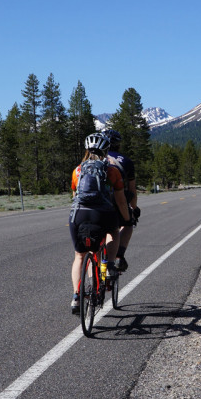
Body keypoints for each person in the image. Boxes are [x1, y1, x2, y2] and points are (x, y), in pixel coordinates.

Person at [68, 132, 131, 314]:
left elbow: (74, 197)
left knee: (80, 256)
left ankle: (76, 296)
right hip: (102, 214)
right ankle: (110, 265)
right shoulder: (111, 171)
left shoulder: (77, 171)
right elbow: (120, 201)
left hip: (78, 215)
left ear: (87, 150)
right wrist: (126, 219)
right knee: (114, 232)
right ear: (106, 150)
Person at [104, 129, 140, 272]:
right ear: (118, 145)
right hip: (116, 201)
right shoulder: (126, 161)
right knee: (128, 224)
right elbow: (132, 190)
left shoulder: (93, 159)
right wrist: (134, 208)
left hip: (93, 203)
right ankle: (118, 256)